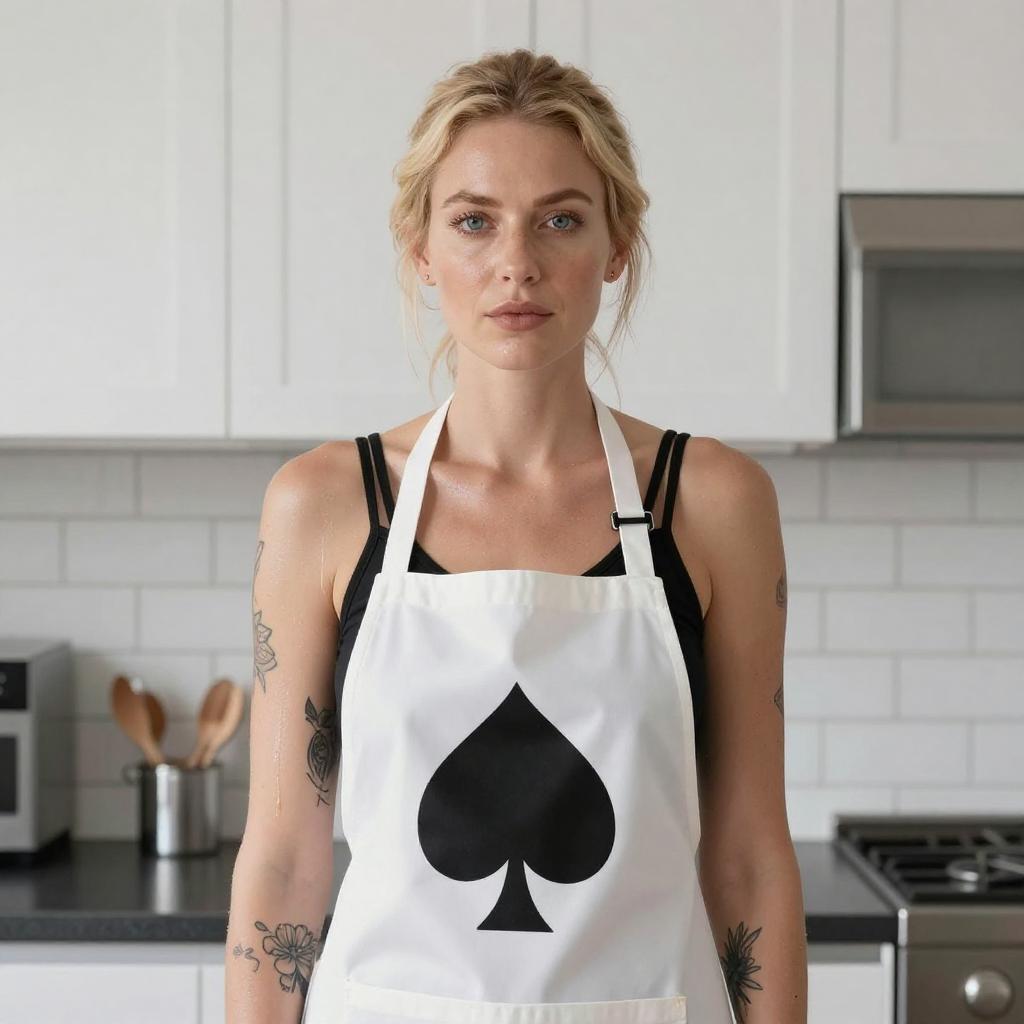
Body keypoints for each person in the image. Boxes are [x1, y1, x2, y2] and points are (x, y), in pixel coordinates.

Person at [226, 48, 807, 1024]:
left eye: (561, 219)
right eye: (473, 220)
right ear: (422, 249)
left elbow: (750, 857)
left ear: (616, 245)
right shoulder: (324, 503)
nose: (516, 263)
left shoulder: (712, 502)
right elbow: (284, 858)